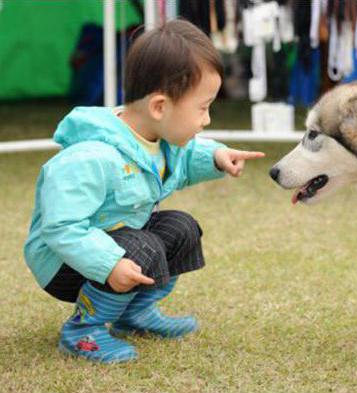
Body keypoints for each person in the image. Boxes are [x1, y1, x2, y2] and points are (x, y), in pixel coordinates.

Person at [23, 19, 265, 363]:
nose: (207, 119)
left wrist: (216, 156)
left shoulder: (157, 140)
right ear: (159, 107)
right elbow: (61, 228)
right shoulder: (90, 158)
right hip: (63, 260)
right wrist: (108, 264)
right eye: (202, 107)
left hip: (118, 242)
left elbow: (182, 158)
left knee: (181, 228)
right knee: (144, 247)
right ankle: (83, 331)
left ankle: (132, 314)